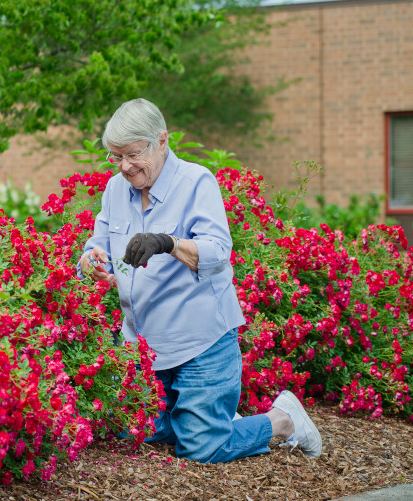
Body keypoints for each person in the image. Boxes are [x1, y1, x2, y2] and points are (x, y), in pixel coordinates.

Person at [78, 98, 322, 463]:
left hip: (201, 342)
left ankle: (283, 419)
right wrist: (90, 260)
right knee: (131, 428)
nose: (125, 166)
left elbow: (218, 250)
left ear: (161, 141)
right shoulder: (116, 189)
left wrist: (168, 243)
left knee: (202, 449)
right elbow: (99, 240)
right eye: (116, 157)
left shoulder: (196, 182)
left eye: (132, 154)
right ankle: (207, 418)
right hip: (144, 345)